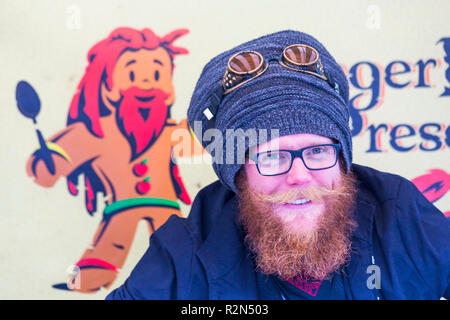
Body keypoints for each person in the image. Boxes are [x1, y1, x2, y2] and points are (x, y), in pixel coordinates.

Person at [106, 30, 450, 300]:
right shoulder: (186, 253)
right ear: (237, 174)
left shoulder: (397, 213)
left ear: (343, 159)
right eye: (272, 157)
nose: (299, 176)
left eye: (316, 152)